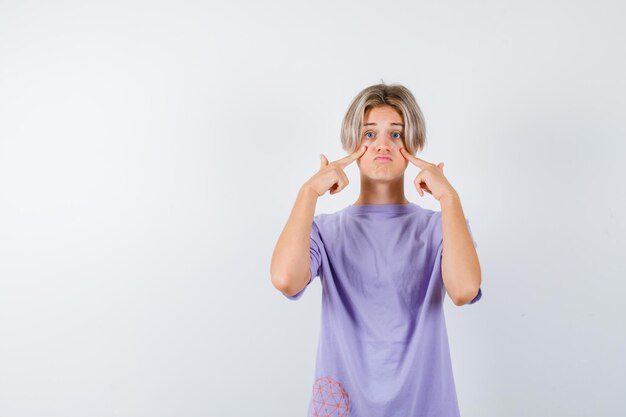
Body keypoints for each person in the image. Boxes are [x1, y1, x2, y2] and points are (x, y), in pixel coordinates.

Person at [270, 82, 482, 417]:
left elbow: (465, 290)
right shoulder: (326, 231)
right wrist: (308, 192)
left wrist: (449, 199)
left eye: (396, 134)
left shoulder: (440, 227)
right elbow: (285, 279)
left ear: (412, 143)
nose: (382, 144)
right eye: (369, 134)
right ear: (353, 142)